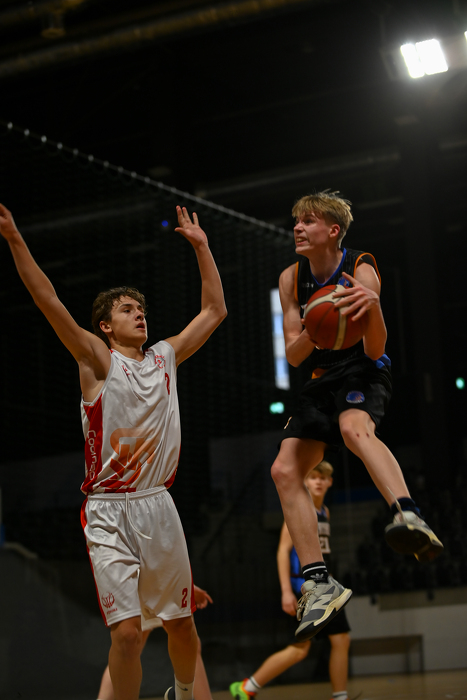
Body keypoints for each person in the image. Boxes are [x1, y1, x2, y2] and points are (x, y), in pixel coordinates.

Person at [0, 203, 227, 700]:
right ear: (105, 326)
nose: (139, 313)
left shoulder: (165, 356)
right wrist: (15, 238)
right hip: (108, 510)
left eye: (141, 309)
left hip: (158, 504)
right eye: (127, 309)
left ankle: (183, 693)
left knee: (182, 626)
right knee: (127, 636)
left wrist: (203, 248)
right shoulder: (97, 361)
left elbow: (215, 311)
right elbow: (47, 299)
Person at [270, 190, 443, 643]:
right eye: (296, 221)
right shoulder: (291, 279)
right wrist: (315, 324)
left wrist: (372, 306)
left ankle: (408, 514)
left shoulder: (361, 267)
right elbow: (294, 355)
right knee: (284, 470)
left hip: (364, 367)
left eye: (308, 221)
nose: (297, 227)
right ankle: (318, 583)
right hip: (320, 375)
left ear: (333, 231)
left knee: (352, 428)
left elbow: (376, 347)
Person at [230, 461, 357, 700]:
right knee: (300, 649)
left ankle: (340, 696)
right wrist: (286, 591)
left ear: (330, 482)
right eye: (314, 477)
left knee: (341, 639)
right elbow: (282, 551)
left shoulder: (325, 511)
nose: (318, 482)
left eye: (323, 478)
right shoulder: (299, 509)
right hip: (304, 588)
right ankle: (248, 687)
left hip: (325, 587)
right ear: (305, 482)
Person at [97, 585, 214, 700]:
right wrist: (188, 584)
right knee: (128, 647)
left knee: (130, 649)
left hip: (152, 584)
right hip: (148, 583)